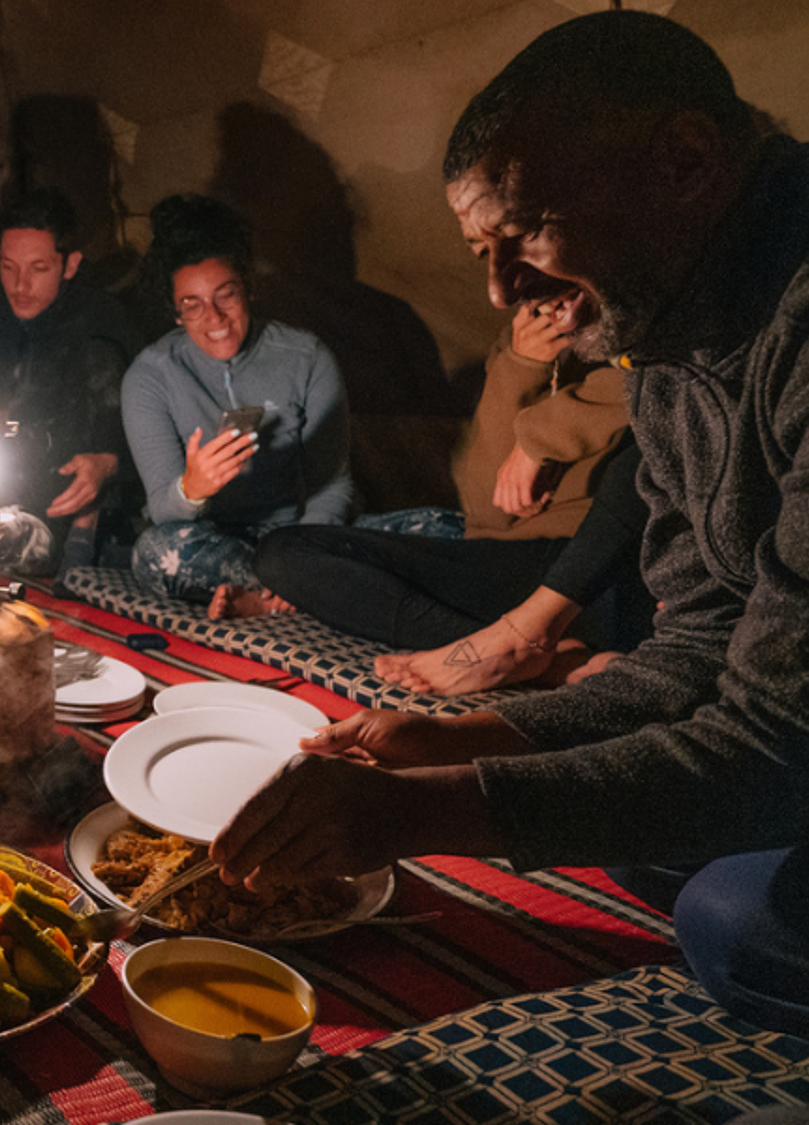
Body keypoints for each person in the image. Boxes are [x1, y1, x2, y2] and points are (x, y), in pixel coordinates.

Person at [210, 11, 809, 1038]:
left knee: (730, 921)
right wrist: (462, 739)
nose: (499, 289)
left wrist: (425, 813)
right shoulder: (665, 326)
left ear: (682, 161)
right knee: (604, 818)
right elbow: (695, 649)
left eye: (525, 233)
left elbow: (775, 736)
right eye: (481, 253)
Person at [250, 299, 652, 692]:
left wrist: (539, 439)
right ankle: (521, 652)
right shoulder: (522, 344)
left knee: (645, 452)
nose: (503, 291)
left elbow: (654, 385)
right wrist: (520, 365)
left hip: (603, 574)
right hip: (503, 569)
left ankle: (519, 645)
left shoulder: (656, 351)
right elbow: (488, 513)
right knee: (282, 553)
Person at [120, 194, 354, 615]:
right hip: (214, 544)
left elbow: (333, 484)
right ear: (175, 313)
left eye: (225, 296)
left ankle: (270, 596)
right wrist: (192, 489)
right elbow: (162, 510)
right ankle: (295, 594)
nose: (215, 318)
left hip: (299, 537)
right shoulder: (150, 375)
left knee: (442, 531)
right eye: (192, 306)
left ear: (247, 287)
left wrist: (306, 558)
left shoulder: (306, 356)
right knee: (156, 553)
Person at [0, 188, 141, 576]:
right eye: (9, 266)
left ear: (69, 265)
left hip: (65, 484)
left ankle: (84, 536)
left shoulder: (101, 316)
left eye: (39, 269)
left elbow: (144, 417)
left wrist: (109, 461)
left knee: (35, 555)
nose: (20, 285)